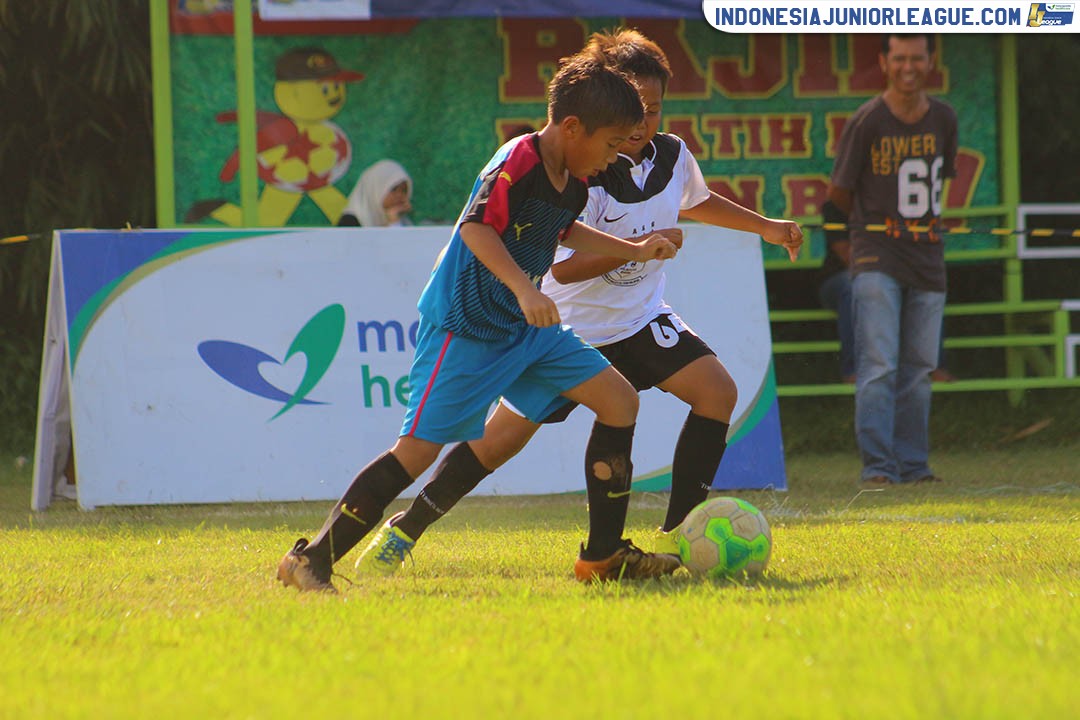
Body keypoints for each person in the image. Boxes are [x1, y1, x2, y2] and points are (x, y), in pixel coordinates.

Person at [353, 28, 803, 578]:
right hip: (574, 324)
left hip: (639, 320)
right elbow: (560, 265)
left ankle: (680, 535)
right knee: (495, 445)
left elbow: (701, 202)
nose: (642, 124)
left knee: (716, 393)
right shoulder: (584, 169)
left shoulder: (672, 155)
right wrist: (636, 249)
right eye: (631, 112)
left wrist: (768, 228)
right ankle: (408, 526)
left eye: (654, 109)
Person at [278, 52, 682, 593]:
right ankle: (309, 561)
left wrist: (634, 248)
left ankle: (603, 558)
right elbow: (475, 229)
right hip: (465, 327)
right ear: (571, 126)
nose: (613, 158)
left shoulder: (576, 181)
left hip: (525, 333)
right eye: (611, 143)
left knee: (619, 400)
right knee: (417, 454)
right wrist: (523, 288)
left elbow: (564, 232)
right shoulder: (518, 158)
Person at [827, 33, 958, 486]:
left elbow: (944, 182)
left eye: (916, 58)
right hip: (877, 257)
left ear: (930, 61)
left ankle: (915, 464)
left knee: (920, 368)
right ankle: (879, 467)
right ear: (883, 62)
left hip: (928, 261)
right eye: (899, 57)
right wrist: (863, 243)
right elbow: (838, 195)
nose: (908, 66)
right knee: (879, 365)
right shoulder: (867, 121)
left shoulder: (944, 118)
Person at [817, 199, 954, 384]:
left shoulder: (902, 203)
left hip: (893, 277)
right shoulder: (838, 203)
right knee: (855, 287)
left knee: (926, 287)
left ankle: (933, 368)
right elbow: (848, 256)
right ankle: (855, 372)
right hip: (845, 279)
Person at [338, 159, 413, 227]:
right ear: (375, 189)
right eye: (393, 189)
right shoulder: (350, 223)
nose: (400, 195)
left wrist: (395, 222)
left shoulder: (404, 222)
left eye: (404, 191)